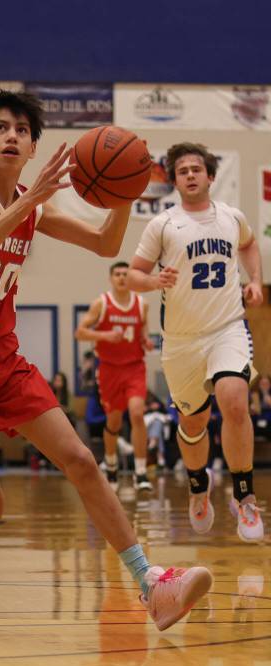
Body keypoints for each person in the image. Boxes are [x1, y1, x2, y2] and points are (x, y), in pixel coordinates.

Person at [0, 87, 211, 630]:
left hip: (1, 355)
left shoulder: (31, 205)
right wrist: (30, 201)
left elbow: (105, 245)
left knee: (82, 460)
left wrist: (127, 188)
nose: (12, 135)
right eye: (1, 128)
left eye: (22, 130)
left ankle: (150, 584)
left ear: (34, 147)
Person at [128, 141, 265, 543]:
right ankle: (197, 484)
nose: (190, 175)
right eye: (182, 170)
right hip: (182, 341)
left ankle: (245, 497)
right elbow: (134, 273)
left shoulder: (232, 217)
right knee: (193, 422)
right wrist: (154, 280)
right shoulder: (163, 225)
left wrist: (254, 280)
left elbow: (250, 245)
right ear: (174, 179)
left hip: (227, 328)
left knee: (235, 400)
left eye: (196, 169)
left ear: (209, 176)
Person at [75, 261, 154, 492]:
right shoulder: (101, 303)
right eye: (117, 274)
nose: (121, 277)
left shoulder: (142, 304)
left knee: (138, 414)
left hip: (134, 368)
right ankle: (111, 465)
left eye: (125, 274)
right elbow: (79, 332)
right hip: (109, 369)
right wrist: (107, 335)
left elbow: (144, 333)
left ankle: (140, 472)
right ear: (111, 278)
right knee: (114, 421)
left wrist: (146, 341)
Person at [250, 374, 271, 440]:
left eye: (266, 384)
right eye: (262, 384)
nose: (264, 386)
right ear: (259, 384)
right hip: (257, 419)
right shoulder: (254, 395)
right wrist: (251, 409)